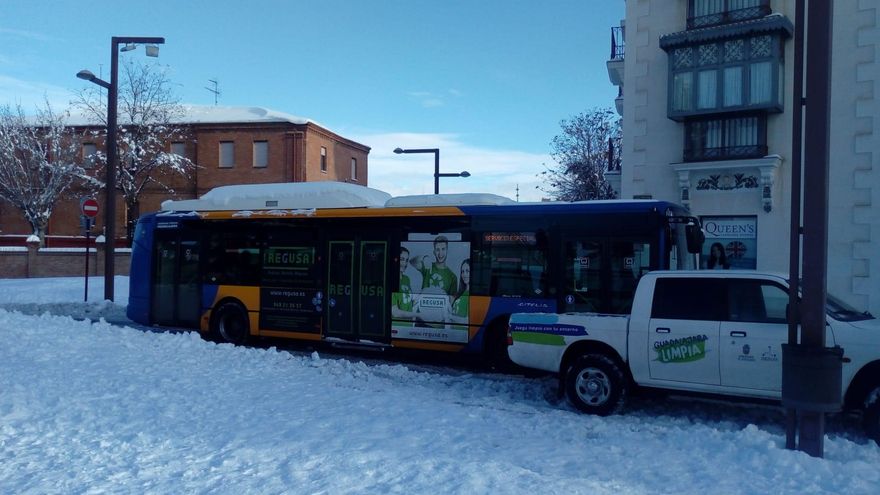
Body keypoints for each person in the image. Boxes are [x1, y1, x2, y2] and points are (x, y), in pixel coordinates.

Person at [391, 247, 418, 322]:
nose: (405, 264)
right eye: (402, 259)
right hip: (398, 324)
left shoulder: (406, 279)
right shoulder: (391, 280)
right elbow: (395, 313)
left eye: (406, 260)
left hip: (409, 324)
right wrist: (418, 315)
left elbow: (410, 300)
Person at [447, 259, 470, 328]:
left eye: (467, 271)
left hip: (464, 336)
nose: (464, 274)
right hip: (454, 334)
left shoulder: (474, 295)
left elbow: (468, 321)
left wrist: (449, 316)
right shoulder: (460, 292)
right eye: (462, 271)